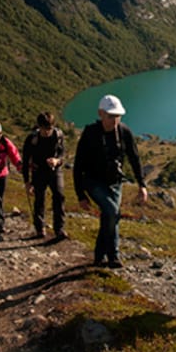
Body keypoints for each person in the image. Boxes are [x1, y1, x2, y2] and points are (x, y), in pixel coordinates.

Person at [73, 94, 148, 268]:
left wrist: (142, 184)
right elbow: (78, 166)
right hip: (93, 182)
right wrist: (81, 195)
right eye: (111, 116)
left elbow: (134, 158)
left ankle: (101, 256)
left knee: (109, 217)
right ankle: (113, 254)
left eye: (117, 116)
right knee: (113, 212)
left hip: (115, 183)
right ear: (100, 113)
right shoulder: (90, 133)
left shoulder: (124, 132)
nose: (115, 120)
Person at [22, 112, 67, 239]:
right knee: (39, 199)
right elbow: (25, 161)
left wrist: (57, 160)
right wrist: (27, 182)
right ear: (39, 126)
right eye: (44, 129)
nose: (47, 132)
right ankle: (40, 227)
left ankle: (59, 228)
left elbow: (62, 152)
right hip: (38, 171)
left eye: (49, 129)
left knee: (59, 196)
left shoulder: (58, 135)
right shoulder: (32, 139)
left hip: (54, 170)